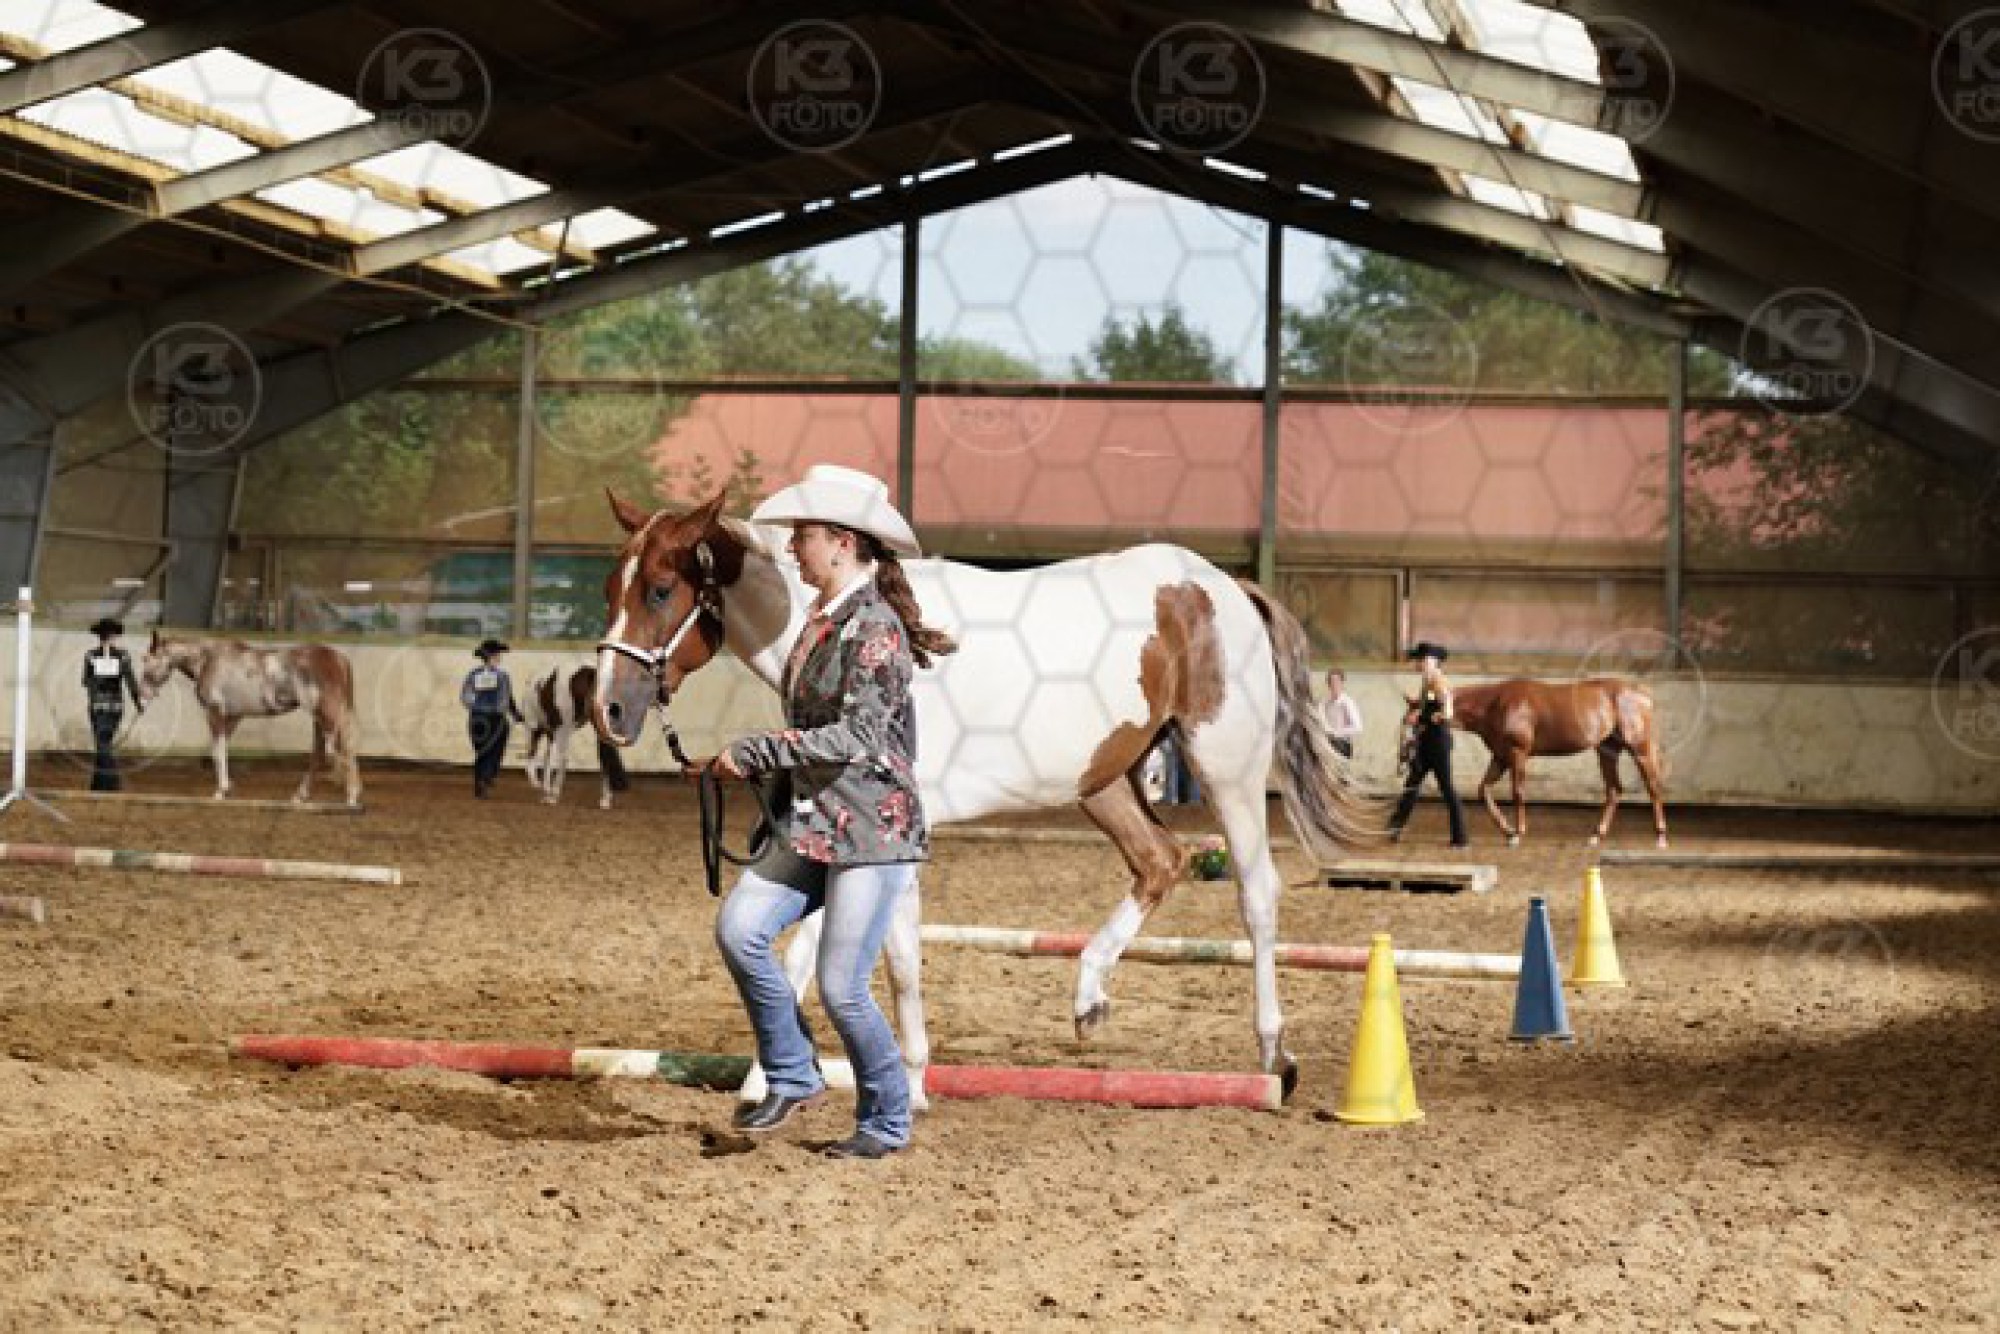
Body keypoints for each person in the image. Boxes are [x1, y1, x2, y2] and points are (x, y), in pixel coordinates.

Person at [706, 464, 955, 1161]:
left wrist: (758, 751)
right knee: (740, 929)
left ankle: (886, 1120)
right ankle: (792, 1072)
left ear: (843, 542)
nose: (793, 547)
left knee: (843, 988)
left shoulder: (874, 629)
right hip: (817, 819)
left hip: (872, 829)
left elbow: (860, 737)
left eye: (804, 536)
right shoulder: (824, 621)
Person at [1388, 642, 1468, 848]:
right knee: (1412, 784)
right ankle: (1394, 829)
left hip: (1438, 743)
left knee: (1446, 788)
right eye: (1418, 660)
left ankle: (1460, 838)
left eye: (1421, 660)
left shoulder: (1439, 682)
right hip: (1427, 741)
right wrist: (1417, 704)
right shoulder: (1428, 682)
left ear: (1433, 661)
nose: (1418, 664)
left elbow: (1447, 712)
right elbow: (1431, 707)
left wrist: (1420, 717)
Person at [81, 617, 143, 792]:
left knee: (102, 744)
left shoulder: (91, 655)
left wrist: (98, 680)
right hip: (115, 706)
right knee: (104, 743)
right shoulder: (123, 655)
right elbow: (130, 681)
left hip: (98, 705)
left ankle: (111, 782)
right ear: (114, 636)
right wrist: (138, 702)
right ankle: (99, 784)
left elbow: (86, 681)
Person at [460, 638, 522, 798]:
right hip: (496, 718)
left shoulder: (473, 674)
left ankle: (480, 782)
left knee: (481, 751)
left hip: (476, 717)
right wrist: (515, 714)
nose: (500, 657)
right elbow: (507, 698)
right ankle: (488, 775)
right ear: (492, 656)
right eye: (498, 655)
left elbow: (465, 696)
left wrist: (476, 706)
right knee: (496, 748)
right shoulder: (502, 676)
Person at [1320, 667, 1363, 761]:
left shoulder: (1347, 702)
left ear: (1342, 683)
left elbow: (1358, 727)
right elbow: (1321, 721)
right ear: (1328, 684)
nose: (1334, 685)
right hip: (1327, 744)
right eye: (1331, 682)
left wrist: (1336, 732)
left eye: (1337, 682)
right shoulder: (1324, 702)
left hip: (1343, 744)